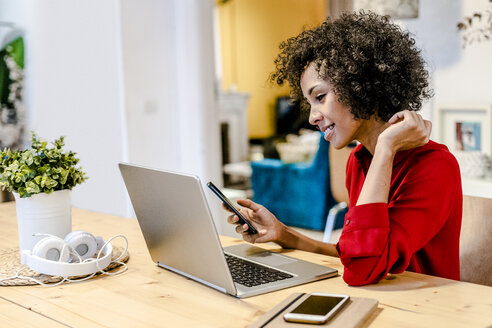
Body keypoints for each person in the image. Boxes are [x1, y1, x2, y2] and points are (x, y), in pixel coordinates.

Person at [227, 11, 462, 286]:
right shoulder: (359, 161)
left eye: (320, 97)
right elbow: (354, 253)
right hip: (381, 299)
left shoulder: (434, 166)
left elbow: (363, 269)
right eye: (310, 103)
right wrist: (282, 234)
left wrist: (386, 147)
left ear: (361, 87)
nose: (313, 116)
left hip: (429, 310)